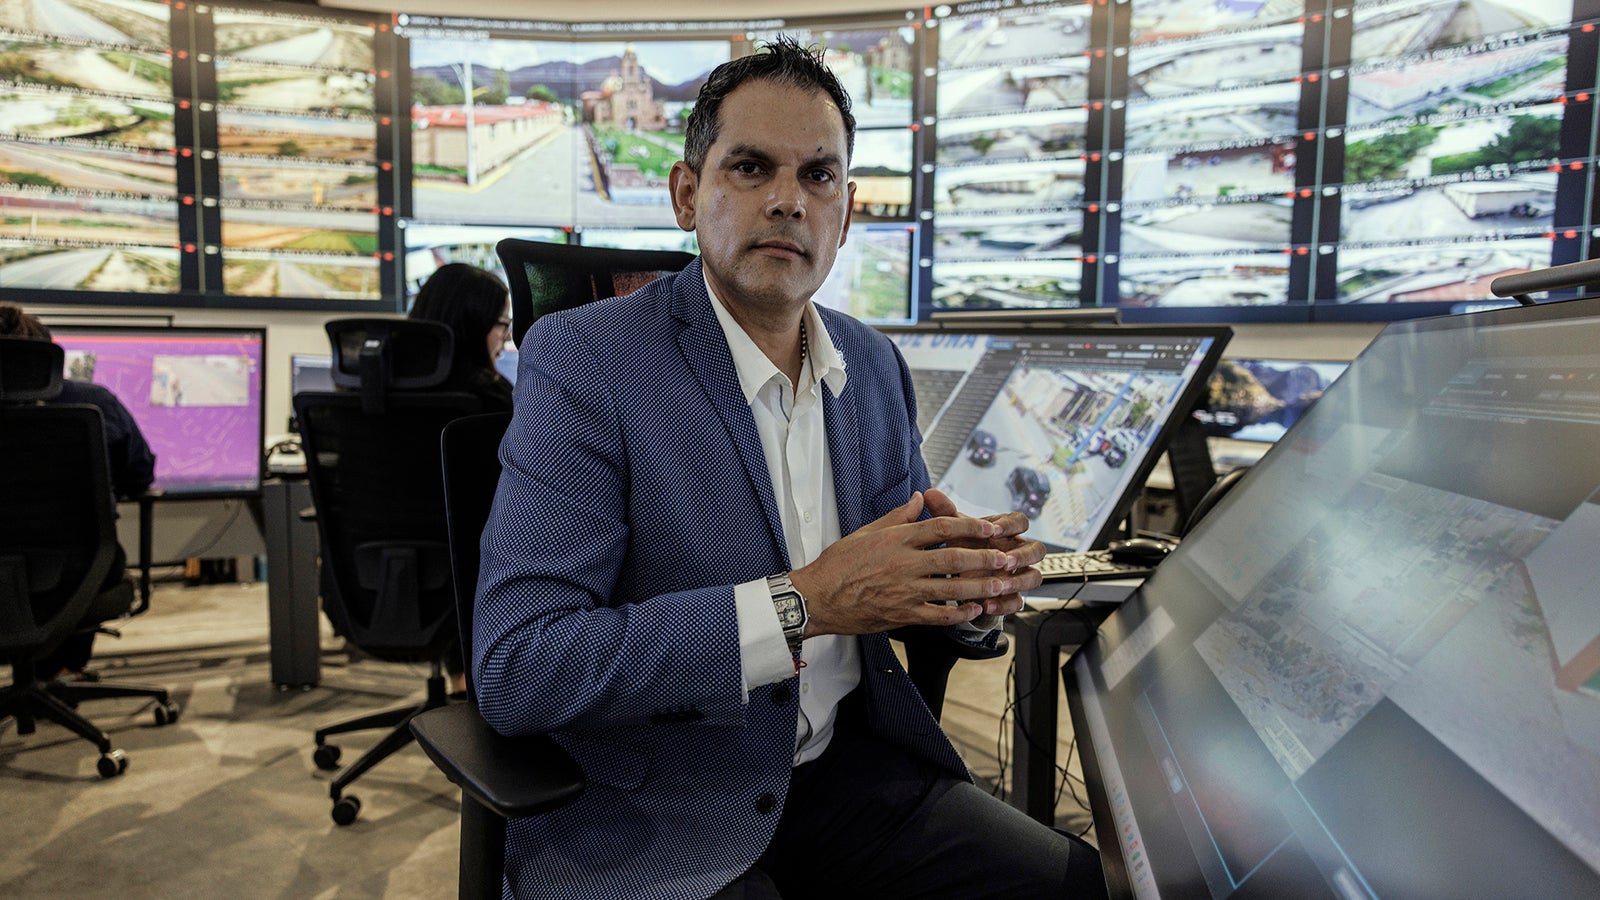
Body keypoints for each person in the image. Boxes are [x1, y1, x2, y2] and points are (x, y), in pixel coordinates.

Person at [473, 38, 1105, 899]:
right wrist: (801, 604)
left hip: (850, 772)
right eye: (750, 168)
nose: (787, 200)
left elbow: (894, 584)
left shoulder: (873, 365)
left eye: (818, 175)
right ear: (686, 194)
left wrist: (964, 591)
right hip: (666, 806)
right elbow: (520, 665)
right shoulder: (586, 361)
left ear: (846, 210)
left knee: (1078, 883)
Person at [0, 302, 156, 682]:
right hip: (81, 570)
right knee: (84, 564)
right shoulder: (94, 403)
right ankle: (64, 671)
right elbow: (139, 475)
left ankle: (46, 678)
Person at [407, 262, 515, 413]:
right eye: (503, 323)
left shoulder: (377, 382)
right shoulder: (493, 397)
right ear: (473, 325)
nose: (508, 336)